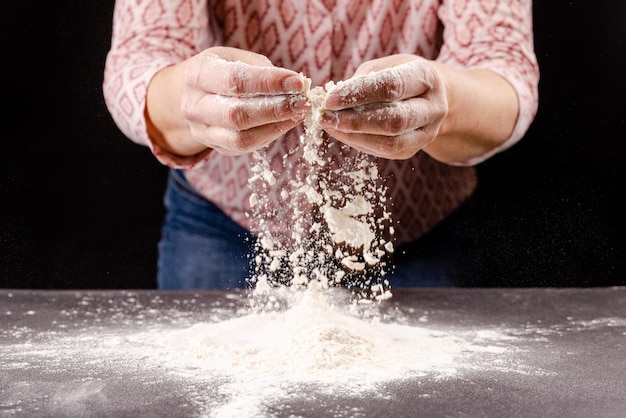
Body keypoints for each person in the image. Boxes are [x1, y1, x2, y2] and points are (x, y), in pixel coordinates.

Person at [103, 0, 539, 291]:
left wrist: (444, 98)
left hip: (419, 238)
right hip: (224, 230)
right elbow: (139, 59)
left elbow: (504, 73)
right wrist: (191, 96)